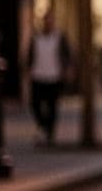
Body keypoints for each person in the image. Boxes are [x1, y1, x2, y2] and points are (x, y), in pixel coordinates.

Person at [26, 11, 73, 146]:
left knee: (52, 107)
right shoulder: (36, 37)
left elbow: (67, 54)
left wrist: (67, 69)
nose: (48, 23)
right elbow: (30, 55)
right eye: (46, 20)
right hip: (38, 75)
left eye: (50, 20)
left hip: (54, 76)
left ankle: (50, 133)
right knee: (35, 104)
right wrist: (28, 69)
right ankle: (43, 125)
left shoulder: (60, 37)